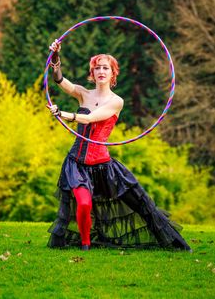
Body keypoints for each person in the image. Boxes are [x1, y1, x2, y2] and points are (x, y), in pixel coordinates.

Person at [46, 39, 193, 252]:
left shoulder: (116, 102)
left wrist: (61, 114)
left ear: (113, 73)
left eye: (105, 67)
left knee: (142, 205)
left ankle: (171, 241)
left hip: (103, 164)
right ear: (92, 73)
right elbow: (60, 81)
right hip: (76, 162)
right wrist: (56, 56)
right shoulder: (84, 94)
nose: (101, 71)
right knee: (84, 204)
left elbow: (90, 119)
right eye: (97, 68)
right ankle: (86, 245)